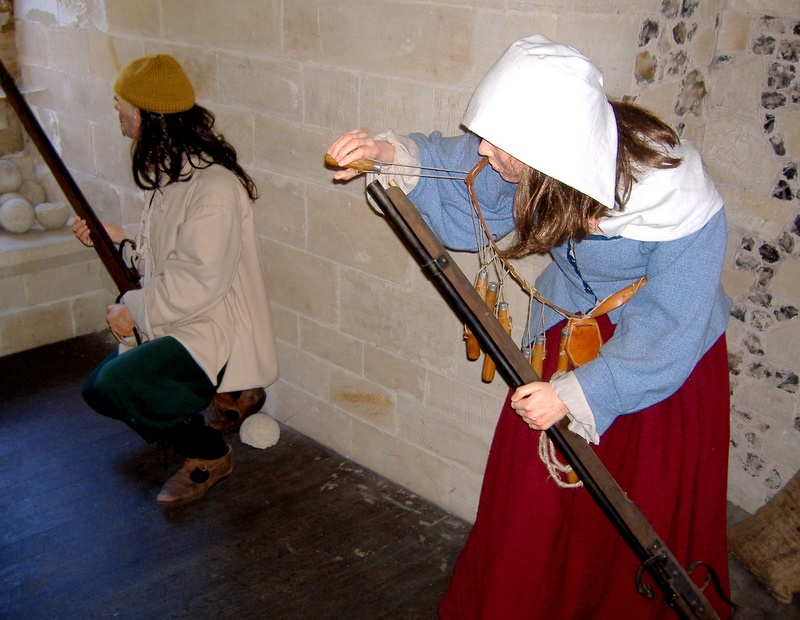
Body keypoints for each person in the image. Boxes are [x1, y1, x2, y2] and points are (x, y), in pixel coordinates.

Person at [327, 35, 732, 618]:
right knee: (530, 508)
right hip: (566, 340)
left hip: (656, 369)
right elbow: (471, 177)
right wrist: (386, 154)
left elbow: (674, 321)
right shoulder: (550, 158)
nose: (486, 149)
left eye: (502, 142)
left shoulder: (680, 200)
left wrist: (585, 393)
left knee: (632, 513)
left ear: (549, 150)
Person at [73, 54, 278, 507]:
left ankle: (209, 454)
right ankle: (221, 401)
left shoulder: (214, 186)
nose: (117, 111)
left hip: (212, 328)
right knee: (104, 387)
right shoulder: (176, 170)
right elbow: (169, 252)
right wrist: (118, 236)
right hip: (186, 315)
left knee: (111, 387)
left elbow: (197, 281)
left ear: (145, 112)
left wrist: (134, 311)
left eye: (120, 103)